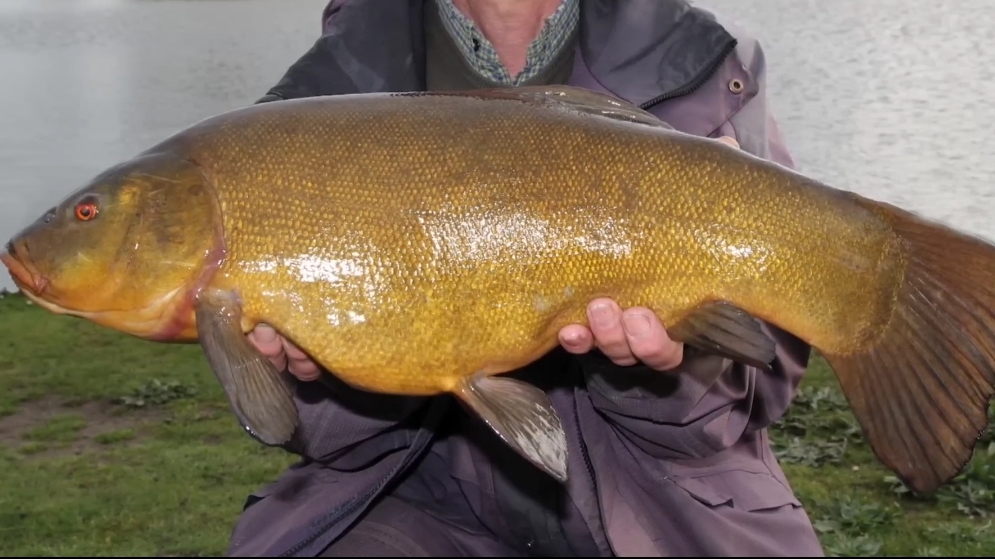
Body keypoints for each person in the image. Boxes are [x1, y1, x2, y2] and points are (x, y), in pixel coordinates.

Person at [225, 0, 824, 556]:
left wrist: (681, 365)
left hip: (669, 501)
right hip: (409, 494)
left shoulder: (712, 68)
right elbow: (325, 439)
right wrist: (327, 378)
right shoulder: (308, 108)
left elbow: (766, 381)